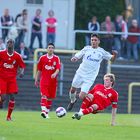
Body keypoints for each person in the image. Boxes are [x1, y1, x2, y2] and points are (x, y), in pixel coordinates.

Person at [67, 33, 117, 111]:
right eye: (92, 40)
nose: (93, 41)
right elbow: (78, 55)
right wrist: (75, 58)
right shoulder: (86, 48)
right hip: (80, 73)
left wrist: (115, 55)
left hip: (90, 77)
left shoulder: (101, 52)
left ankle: (93, 101)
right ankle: (72, 100)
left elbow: (112, 59)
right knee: (73, 89)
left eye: (95, 40)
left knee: (81, 96)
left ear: (99, 41)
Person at [0, 39, 25, 121]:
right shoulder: (1, 53)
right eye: (8, 42)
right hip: (2, 78)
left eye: (11, 42)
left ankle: (9, 117)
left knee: (12, 97)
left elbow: (22, 66)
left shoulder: (17, 56)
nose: (9, 44)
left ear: (14, 44)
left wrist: (21, 72)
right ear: (6, 44)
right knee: (3, 98)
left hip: (12, 79)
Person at [35, 43, 61, 119]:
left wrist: (55, 74)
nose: (50, 49)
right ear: (47, 49)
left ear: (54, 49)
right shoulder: (42, 58)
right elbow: (39, 70)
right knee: (44, 95)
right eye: (49, 47)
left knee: (50, 98)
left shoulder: (56, 58)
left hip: (53, 82)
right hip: (44, 81)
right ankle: (43, 111)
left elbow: (58, 69)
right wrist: (36, 79)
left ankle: (46, 113)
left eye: (52, 48)